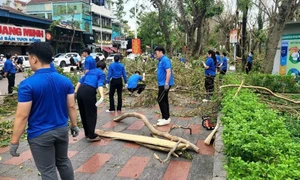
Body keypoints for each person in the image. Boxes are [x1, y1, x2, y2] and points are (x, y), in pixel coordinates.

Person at [9, 42, 79, 180]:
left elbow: (22, 116)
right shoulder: (65, 81)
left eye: (29, 58)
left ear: (34, 59)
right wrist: (74, 124)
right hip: (61, 130)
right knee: (63, 161)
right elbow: (71, 106)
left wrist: (14, 141)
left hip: (40, 134)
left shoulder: (27, 85)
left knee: (48, 171)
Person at [75, 61, 106, 142]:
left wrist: (75, 93)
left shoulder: (90, 71)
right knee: (91, 113)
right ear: (104, 68)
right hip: (89, 91)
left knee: (83, 112)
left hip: (80, 91)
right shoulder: (102, 74)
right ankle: (92, 135)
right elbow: (100, 84)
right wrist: (102, 96)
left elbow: (80, 81)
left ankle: (87, 133)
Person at [155, 46, 175, 126]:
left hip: (164, 84)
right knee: (164, 100)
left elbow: (168, 71)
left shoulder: (165, 60)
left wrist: (166, 83)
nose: (155, 55)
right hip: (161, 83)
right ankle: (165, 117)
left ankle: (166, 118)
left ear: (160, 52)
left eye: (156, 53)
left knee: (160, 99)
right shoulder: (161, 60)